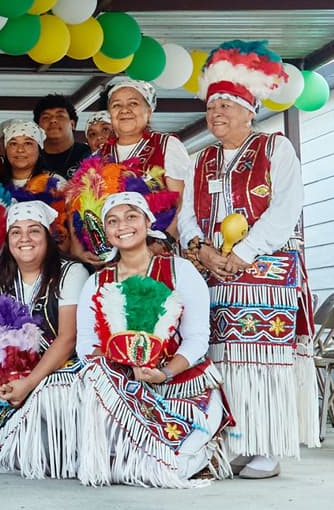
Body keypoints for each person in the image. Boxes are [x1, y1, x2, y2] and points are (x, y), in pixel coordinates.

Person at [178, 40, 316, 480]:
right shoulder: (200, 161)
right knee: (219, 357)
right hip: (212, 272)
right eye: (211, 105)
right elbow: (185, 217)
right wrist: (201, 249)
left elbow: (285, 208)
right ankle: (237, 441)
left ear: (249, 109)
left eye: (226, 105)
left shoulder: (276, 149)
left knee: (260, 359)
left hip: (266, 272)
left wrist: (241, 253)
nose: (215, 113)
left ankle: (267, 444)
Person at [75, 193, 228, 488]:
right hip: (122, 388)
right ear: (106, 231)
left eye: (131, 216)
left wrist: (165, 372)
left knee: (171, 468)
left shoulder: (180, 270)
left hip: (182, 382)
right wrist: (120, 371)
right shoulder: (97, 281)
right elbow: (85, 344)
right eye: (113, 221)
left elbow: (197, 338)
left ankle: (199, 453)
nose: (123, 225)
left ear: (147, 221)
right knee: (125, 467)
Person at [0, 201, 89, 479]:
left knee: (48, 454)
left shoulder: (70, 273)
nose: (24, 238)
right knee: (23, 458)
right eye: (15, 232)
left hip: (59, 377)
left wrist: (28, 383)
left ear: (47, 236)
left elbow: (67, 338)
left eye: (33, 231)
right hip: (14, 384)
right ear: (8, 239)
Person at [97, 77, 189, 216]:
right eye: (116, 105)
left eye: (133, 103)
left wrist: (167, 236)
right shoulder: (99, 154)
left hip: (160, 235)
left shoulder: (166, 145)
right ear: (110, 114)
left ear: (149, 112)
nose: (124, 110)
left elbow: (183, 202)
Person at [34, 94, 93, 179]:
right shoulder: (31, 159)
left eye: (60, 116)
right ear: (38, 128)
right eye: (46, 117)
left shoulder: (89, 154)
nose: (53, 120)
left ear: (72, 124)